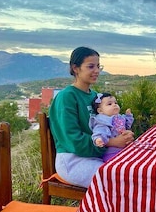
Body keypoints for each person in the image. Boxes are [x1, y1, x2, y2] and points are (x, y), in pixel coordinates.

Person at [49, 47, 134, 188]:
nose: (97, 71)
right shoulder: (67, 97)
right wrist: (112, 142)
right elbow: (72, 139)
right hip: (73, 160)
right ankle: (103, 210)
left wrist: (122, 134)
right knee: (119, 179)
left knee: (134, 169)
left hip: (96, 155)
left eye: (98, 66)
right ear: (75, 68)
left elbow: (107, 124)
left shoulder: (95, 97)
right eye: (91, 66)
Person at [89, 92, 134, 162]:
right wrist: (98, 139)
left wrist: (128, 116)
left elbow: (127, 124)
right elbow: (99, 130)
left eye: (115, 103)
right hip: (112, 153)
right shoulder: (103, 121)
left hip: (124, 149)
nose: (114, 105)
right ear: (100, 111)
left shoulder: (119, 117)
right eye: (109, 104)